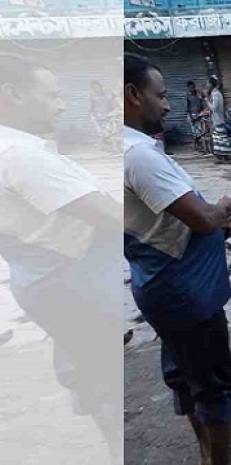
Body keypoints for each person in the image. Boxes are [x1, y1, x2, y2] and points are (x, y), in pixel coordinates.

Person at [123, 53, 231, 465]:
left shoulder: (120, 149)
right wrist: (227, 207)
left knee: (186, 376)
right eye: (159, 95)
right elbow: (199, 219)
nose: (168, 104)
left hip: (161, 285)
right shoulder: (137, 155)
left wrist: (217, 227)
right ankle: (216, 456)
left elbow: (160, 222)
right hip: (187, 295)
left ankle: (208, 446)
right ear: (131, 95)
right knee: (213, 386)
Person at [0, 52, 123, 462]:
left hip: (42, 276)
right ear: (12, 94)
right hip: (70, 277)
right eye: (51, 94)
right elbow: (110, 217)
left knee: (91, 372)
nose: (62, 103)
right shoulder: (19, 153)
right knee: (105, 379)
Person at [205, 75, 231, 163]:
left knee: (222, 139)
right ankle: (222, 158)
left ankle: (227, 157)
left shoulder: (216, 94)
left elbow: (214, 108)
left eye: (208, 83)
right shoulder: (215, 93)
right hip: (217, 120)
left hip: (218, 120)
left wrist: (206, 101)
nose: (206, 85)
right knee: (218, 140)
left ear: (211, 84)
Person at [185, 80, 209, 153]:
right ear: (188, 88)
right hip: (192, 115)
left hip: (200, 114)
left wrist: (203, 112)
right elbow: (187, 108)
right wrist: (191, 118)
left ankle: (202, 147)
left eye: (193, 87)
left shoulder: (199, 94)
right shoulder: (188, 96)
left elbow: (203, 102)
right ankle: (197, 146)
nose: (192, 88)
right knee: (195, 133)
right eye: (190, 87)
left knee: (201, 132)